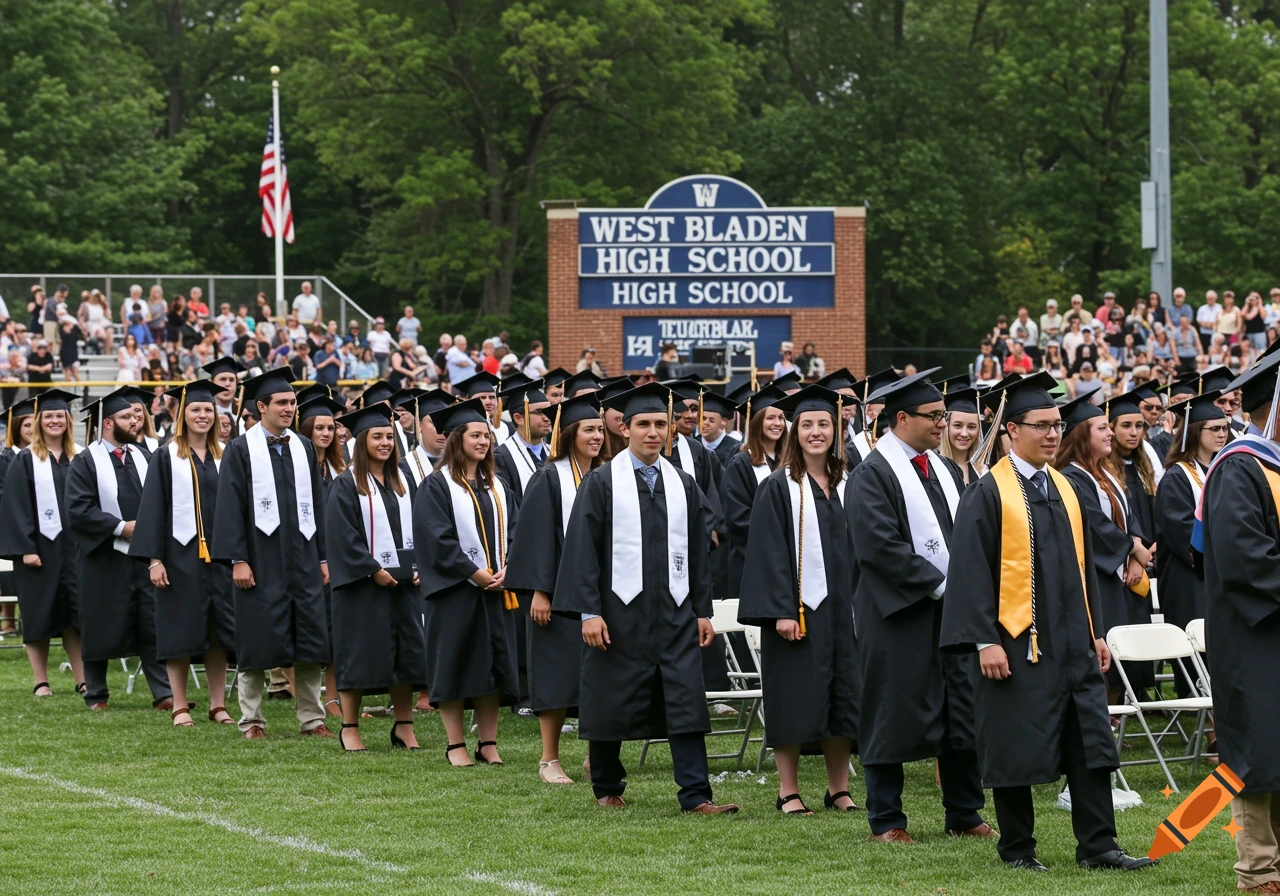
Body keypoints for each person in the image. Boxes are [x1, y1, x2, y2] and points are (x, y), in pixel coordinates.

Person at [940, 372, 1155, 873]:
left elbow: (1082, 570)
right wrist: (982, 642)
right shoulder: (988, 493)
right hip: (1016, 644)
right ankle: (1017, 849)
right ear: (1012, 430)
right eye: (1041, 426)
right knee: (1015, 742)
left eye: (1057, 425)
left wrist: (1096, 632)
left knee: (1091, 743)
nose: (1053, 434)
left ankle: (1099, 845)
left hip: (1074, 643)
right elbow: (969, 571)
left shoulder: (1064, 486)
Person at [552, 382, 736, 814]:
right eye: (643, 425)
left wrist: (701, 612)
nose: (653, 432)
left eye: (659, 424)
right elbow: (581, 550)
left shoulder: (683, 484)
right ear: (626, 430)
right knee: (610, 694)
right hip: (618, 612)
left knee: (686, 700)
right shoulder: (602, 482)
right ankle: (607, 787)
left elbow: (696, 553)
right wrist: (589, 612)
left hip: (674, 613)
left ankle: (696, 795)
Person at [848, 371, 989, 840]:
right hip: (898, 613)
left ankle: (965, 814)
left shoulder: (945, 470)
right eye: (934, 417)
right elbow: (879, 548)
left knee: (959, 710)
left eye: (943, 416)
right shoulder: (872, 473)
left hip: (949, 614)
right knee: (891, 709)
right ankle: (886, 819)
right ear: (902, 418)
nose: (943, 424)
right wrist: (945, 586)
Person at [737, 385, 858, 816]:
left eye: (823, 424)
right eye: (806, 424)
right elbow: (768, 552)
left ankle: (838, 788)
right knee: (792, 698)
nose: (815, 432)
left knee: (844, 697)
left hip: (845, 612)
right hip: (799, 614)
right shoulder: (777, 487)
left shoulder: (849, 484)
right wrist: (782, 610)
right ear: (795, 431)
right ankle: (788, 790)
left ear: (836, 429)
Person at [1196, 348, 1280, 893]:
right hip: (1255, 638)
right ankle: (1259, 873)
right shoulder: (1238, 468)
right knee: (1260, 753)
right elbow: (1246, 560)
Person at [210, 369, 332, 740]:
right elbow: (229, 506)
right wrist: (238, 559)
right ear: (261, 406)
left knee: (310, 639)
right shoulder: (240, 448)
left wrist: (323, 557)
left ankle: (312, 718)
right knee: (256, 638)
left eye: (292, 403)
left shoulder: (304, 446)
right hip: (260, 559)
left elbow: (318, 503)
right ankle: (252, 720)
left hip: (303, 558)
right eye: (281, 403)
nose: (289, 409)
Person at [414, 397, 520, 766]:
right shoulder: (436, 486)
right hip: (455, 592)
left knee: (492, 666)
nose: (483, 442)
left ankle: (487, 742)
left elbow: (517, 531)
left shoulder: (497, 486)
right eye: (474, 435)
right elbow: (437, 539)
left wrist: (510, 569)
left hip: (496, 591)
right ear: (457, 439)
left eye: (486, 436)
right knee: (457, 665)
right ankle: (456, 744)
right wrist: (476, 574)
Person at [505, 393, 604, 784]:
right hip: (557, 595)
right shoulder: (548, 477)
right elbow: (533, 538)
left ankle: (596, 756)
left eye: (600, 429)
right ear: (570, 433)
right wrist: (540, 591)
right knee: (556, 675)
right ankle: (549, 759)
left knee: (598, 676)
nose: (596, 436)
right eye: (588, 430)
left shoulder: (607, 475)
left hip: (598, 595)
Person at [129, 382, 236, 727]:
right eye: (195, 410)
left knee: (219, 631)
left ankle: (217, 705)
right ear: (182, 415)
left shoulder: (227, 455)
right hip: (178, 556)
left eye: (208, 410)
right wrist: (154, 559)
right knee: (179, 630)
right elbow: (152, 509)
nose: (203, 416)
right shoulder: (166, 455)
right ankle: (179, 705)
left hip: (219, 558)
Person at [323, 404, 427, 752]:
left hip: (404, 585)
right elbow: (342, 536)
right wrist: (372, 569)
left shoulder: (404, 482)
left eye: (389, 437)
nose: (385, 442)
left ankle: (403, 726)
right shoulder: (345, 484)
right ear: (361, 442)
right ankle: (350, 727)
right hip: (361, 588)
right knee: (358, 655)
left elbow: (421, 529)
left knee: (407, 656)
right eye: (377, 437)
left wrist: (419, 568)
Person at [66, 388, 174, 711]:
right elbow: (78, 510)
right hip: (102, 557)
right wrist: (122, 527)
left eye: (136, 415)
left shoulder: (144, 456)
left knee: (149, 620)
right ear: (108, 423)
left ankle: (163, 692)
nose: (136, 420)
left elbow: (161, 500)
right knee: (99, 621)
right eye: (127, 417)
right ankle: (96, 693)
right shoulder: (85, 461)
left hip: (141, 556)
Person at [1054, 394, 1152, 704]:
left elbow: (1129, 516)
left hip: (1121, 574)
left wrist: (1135, 555)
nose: (1110, 433)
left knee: (1125, 649)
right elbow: (1094, 526)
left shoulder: (1103, 473)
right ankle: (1104, 717)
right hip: (1097, 578)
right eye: (1101, 428)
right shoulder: (1070, 477)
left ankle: (1115, 712)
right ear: (1082, 435)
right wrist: (1133, 550)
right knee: (1106, 649)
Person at [0, 391, 86, 697]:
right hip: (39, 550)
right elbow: (14, 507)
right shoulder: (25, 460)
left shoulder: (79, 457)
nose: (54, 421)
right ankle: (41, 681)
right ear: (39, 421)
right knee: (38, 614)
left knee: (75, 616)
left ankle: (82, 678)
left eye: (59, 416)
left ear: (68, 420)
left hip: (75, 550)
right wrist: (25, 548)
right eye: (48, 416)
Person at [1154, 392, 1227, 698]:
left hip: (1219, 576)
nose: (1223, 434)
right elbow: (1182, 532)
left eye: (1225, 428)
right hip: (1190, 578)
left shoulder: (1224, 470)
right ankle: (1205, 723)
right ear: (1196, 432)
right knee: (1199, 648)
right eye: (1215, 429)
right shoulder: (1177, 478)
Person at [720, 384, 789, 606]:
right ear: (757, 421)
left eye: (780, 417)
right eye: (770, 418)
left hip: (789, 560)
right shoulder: (741, 463)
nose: (777, 423)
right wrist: (780, 535)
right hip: (752, 559)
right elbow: (737, 517)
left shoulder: (790, 461)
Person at [493, 376, 552, 501]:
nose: (547, 417)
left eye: (548, 411)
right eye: (539, 412)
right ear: (518, 418)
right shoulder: (502, 457)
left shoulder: (554, 452)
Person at [939, 387, 987, 485]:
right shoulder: (934, 467)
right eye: (957, 425)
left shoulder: (983, 471)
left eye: (971, 427)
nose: (964, 433)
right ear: (946, 426)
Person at [698, 392, 740, 466]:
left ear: (723, 422)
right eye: (703, 419)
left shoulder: (735, 448)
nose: (705, 423)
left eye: (711, 420)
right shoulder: (693, 444)